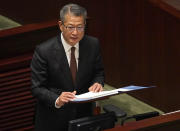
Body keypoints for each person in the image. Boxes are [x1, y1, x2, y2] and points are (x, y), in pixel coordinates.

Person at [30, 3, 104, 131]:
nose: (75, 32)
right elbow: (37, 88)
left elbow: (99, 72)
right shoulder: (44, 51)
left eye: (80, 27)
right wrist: (57, 99)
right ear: (60, 25)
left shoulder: (93, 44)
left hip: (83, 116)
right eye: (70, 27)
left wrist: (97, 83)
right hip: (53, 119)